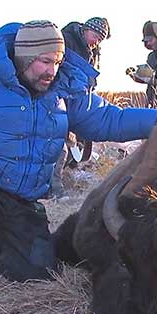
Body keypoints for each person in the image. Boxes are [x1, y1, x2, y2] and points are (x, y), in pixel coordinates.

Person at [0, 20, 157, 306]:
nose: (52, 71)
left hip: (20, 202)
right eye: (44, 61)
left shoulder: (63, 94)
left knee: (40, 273)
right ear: (25, 57)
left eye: (57, 61)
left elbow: (109, 119)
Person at [50, 17, 111, 198]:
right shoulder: (65, 40)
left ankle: (59, 182)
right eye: (95, 36)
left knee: (74, 146)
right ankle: (54, 190)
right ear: (85, 29)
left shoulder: (90, 51)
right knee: (59, 148)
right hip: (58, 101)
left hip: (75, 103)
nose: (96, 41)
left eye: (100, 39)